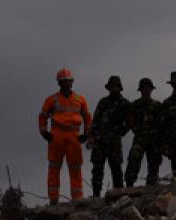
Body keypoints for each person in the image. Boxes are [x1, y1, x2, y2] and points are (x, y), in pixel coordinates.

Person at [38, 68, 92, 205]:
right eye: (63, 82)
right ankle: (53, 199)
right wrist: (44, 132)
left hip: (74, 136)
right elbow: (43, 116)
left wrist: (86, 134)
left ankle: (77, 198)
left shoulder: (80, 99)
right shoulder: (52, 99)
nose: (66, 84)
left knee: (75, 168)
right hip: (57, 135)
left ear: (72, 82)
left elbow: (87, 117)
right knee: (54, 168)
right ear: (59, 83)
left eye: (68, 81)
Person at [87, 75, 131, 197]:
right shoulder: (103, 102)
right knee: (97, 170)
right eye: (111, 86)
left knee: (116, 169)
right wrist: (91, 137)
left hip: (114, 142)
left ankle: (119, 196)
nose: (113, 88)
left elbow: (129, 122)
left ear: (119, 87)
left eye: (115, 86)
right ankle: (96, 195)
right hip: (99, 141)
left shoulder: (125, 104)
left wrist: (120, 132)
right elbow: (95, 121)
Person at [125, 77, 163, 186]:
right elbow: (130, 123)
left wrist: (162, 141)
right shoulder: (134, 105)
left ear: (151, 89)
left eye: (148, 88)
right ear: (140, 90)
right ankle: (129, 185)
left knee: (154, 163)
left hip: (154, 140)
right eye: (144, 88)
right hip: (139, 139)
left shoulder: (158, 106)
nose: (146, 90)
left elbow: (162, 124)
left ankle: (152, 186)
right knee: (133, 158)